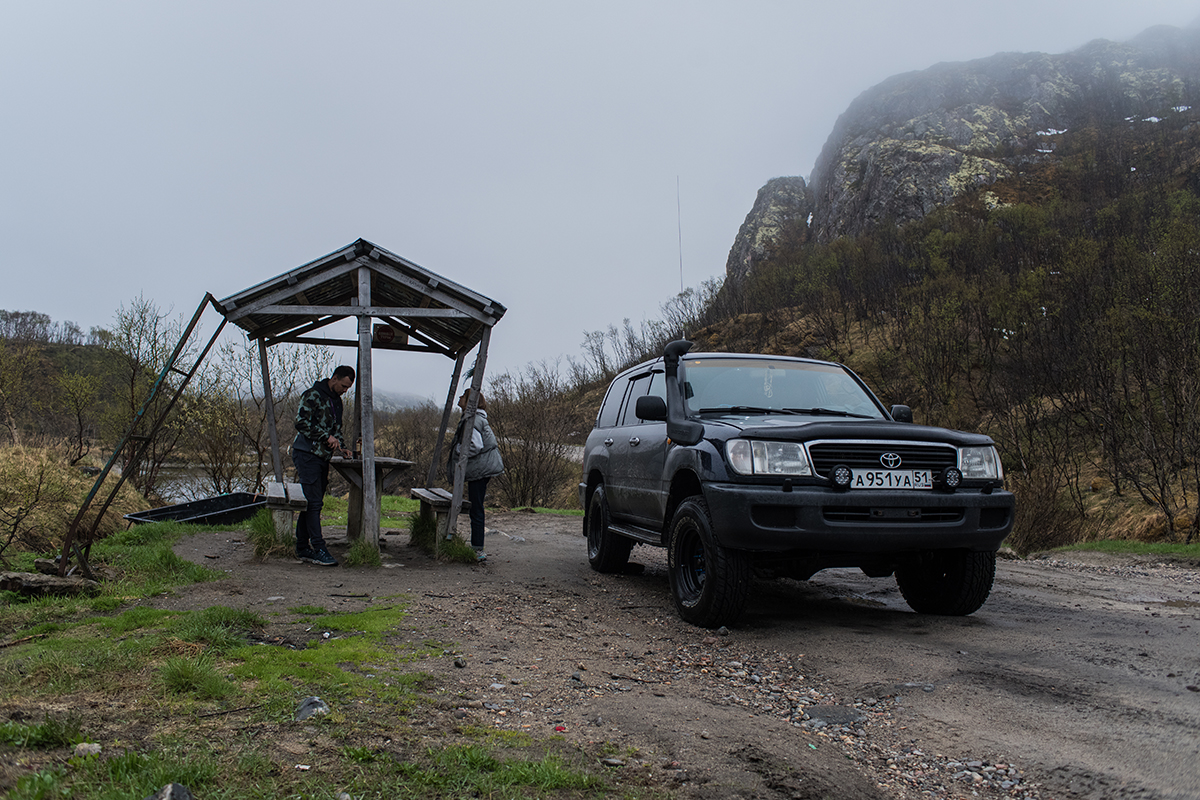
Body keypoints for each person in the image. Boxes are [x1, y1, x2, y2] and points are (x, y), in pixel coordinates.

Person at [291, 365, 355, 566]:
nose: (345, 390)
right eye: (343, 386)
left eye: (348, 388)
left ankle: (303, 547)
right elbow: (301, 422)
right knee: (314, 503)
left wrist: (342, 448)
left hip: (322, 457)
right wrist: (325, 436)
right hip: (306, 454)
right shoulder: (312, 395)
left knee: (313, 502)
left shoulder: (337, 402)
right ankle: (319, 548)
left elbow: (336, 429)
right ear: (334, 378)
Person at [449, 389, 504, 560]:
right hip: (482, 469)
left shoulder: (472, 420)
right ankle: (476, 547)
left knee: (477, 508)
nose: (459, 398)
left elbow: (474, 445)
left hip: (480, 470)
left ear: (470, 401)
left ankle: (478, 549)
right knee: (477, 506)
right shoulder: (476, 418)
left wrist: (458, 450)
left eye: (463, 396)